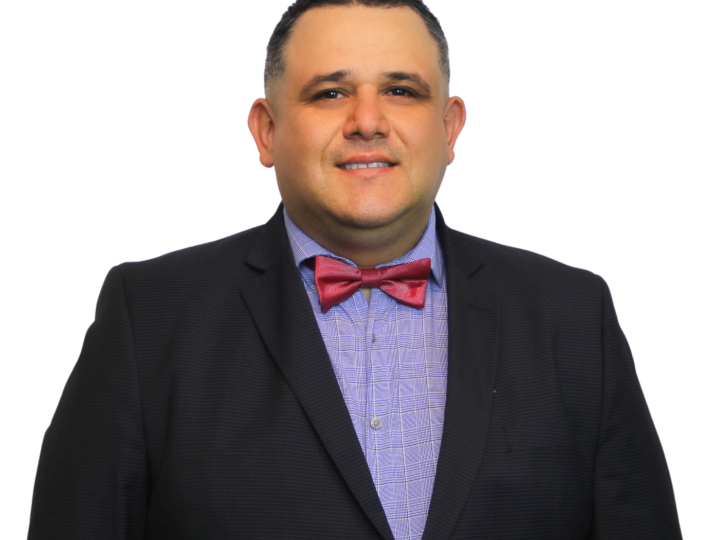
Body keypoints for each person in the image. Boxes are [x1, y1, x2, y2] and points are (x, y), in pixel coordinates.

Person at [28, 1, 682, 538]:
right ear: (266, 131)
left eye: (401, 91)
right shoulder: (147, 317)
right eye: (330, 92)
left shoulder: (575, 316)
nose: (367, 122)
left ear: (451, 128)